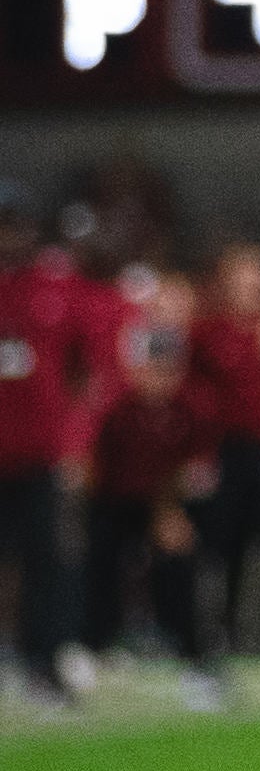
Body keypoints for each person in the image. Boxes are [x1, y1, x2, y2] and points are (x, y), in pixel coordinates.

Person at [0, 188, 121, 705]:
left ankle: (43, 662)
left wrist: (75, 440)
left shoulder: (56, 290)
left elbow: (93, 369)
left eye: (17, 225)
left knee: (48, 560)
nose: (11, 237)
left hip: (39, 454)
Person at [82, 313, 223, 705]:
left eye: (168, 369)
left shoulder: (188, 409)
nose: (161, 378)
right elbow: (91, 470)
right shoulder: (115, 407)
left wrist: (169, 513)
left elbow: (192, 471)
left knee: (182, 561)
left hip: (161, 504)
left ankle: (193, 652)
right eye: (154, 368)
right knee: (98, 555)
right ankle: (92, 643)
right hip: (110, 502)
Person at [185, 244, 260, 657]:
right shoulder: (207, 332)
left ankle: (252, 630)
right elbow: (192, 397)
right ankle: (209, 631)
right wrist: (198, 454)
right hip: (224, 450)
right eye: (245, 274)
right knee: (218, 545)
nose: (254, 283)